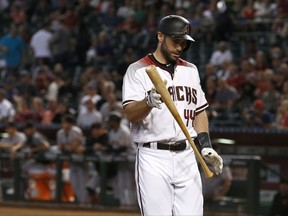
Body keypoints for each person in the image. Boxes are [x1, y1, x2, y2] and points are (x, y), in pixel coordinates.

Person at [122, 15, 223, 215]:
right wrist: (148, 102)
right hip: (154, 156)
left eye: (184, 43)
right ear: (160, 36)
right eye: (175, 41)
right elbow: (131, 114)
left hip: (187, 155)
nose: (180, 47)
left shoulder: (191, 70)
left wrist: (205, 146)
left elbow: (199, 111)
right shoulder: (138, 70)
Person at [56, 115, 89, 205]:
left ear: (71, 124)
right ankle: (80, 204)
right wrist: (68, 147)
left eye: (66, 122)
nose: (64, 124)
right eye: (64, 122)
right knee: (74, 185)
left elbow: (73, 147)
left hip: (81, 161)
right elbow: (60, 147)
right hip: (71, 162)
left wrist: (66, 147)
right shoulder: (60, 133)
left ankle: (86, 205)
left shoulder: (76, 131)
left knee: (83, 185)